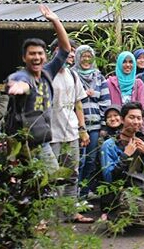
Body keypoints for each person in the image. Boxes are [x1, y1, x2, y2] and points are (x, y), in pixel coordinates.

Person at [5, 5, 70, 169]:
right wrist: (19, 87)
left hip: (43, 142)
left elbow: (65, 49)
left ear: (45, 56)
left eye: (40, 53)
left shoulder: (47, 72)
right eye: (32, 54)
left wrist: (55, 21)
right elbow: (20, 83)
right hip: (21, 146)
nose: (36, 57)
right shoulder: (21, 76)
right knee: (43, 186)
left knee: (48, 187)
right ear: (24, 58)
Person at [48, 39, 92, 223]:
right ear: (55, 51)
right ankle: (51, 216)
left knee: (72, 173)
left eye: (74, 51)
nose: (72, 54)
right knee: (51, 175)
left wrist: (82, 129)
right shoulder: (46, 75)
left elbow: (78, 103)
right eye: (68, 50)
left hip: (71, 132)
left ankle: (70, 210)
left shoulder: (73, 76)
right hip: (51, 135)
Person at [100, 102, 144, 225]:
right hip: (117, 192)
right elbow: (108, 177)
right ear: (122, 119)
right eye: (131, 117)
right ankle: (116, 217)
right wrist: (125, 155)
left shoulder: (143, 141)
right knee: (142, 205)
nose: (136, 122)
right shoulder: (109, 144)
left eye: (139, 118)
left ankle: (133, 218)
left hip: (139, 187)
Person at [73, 44, 111, 198]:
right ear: (77, 58)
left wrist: (103, 124)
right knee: (78, 161)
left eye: (89, 56)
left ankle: (84, 192)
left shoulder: (99, 76)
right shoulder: (72, 74)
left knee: (91, 160)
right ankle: (73, 194)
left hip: (95, 125)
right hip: (76, 126)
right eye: (83, 56)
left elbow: (105, 101)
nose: (86, 59)